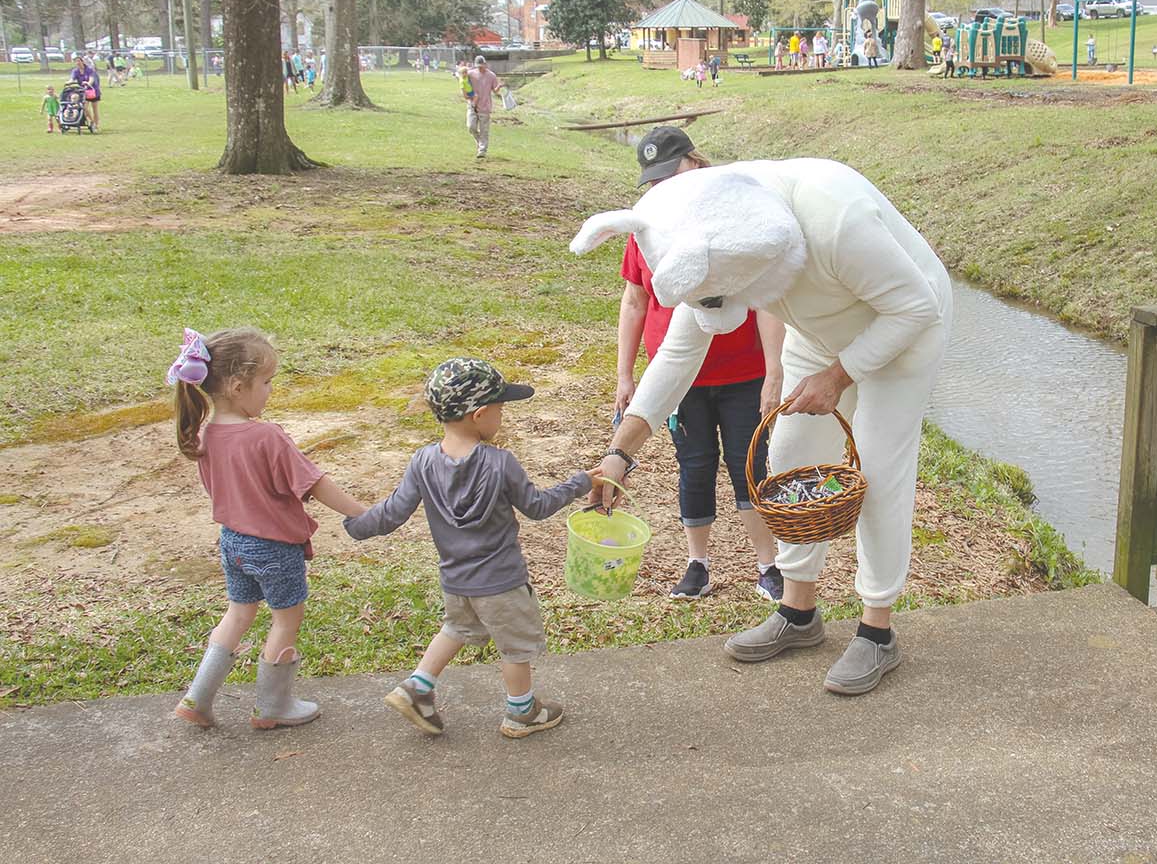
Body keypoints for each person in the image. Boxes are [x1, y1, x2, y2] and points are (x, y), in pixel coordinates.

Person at [574, 157, 953, 697]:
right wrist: (619, 454)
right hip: (818, 332)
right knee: (790, 460)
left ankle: (877, 630)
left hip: (906, 326)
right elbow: (679, 355)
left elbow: (914, 306)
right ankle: (799, 613)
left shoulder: (834, 216)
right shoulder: (709, 230)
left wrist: (840, 375)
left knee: (877, 470)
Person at [345, 358, 603, 737]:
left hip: (455, 580)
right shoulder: (500, 463)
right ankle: (522, 712)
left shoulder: (422, 462)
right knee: (515, 649)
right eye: (500, 409)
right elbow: (538, 507)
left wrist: (357, 526)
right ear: (479, 414)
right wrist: (580, 482)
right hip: (501, 582)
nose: (502, 416)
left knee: (456, 628)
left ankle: (417, 687)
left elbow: (391, 513)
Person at [616, 127, 787, 602]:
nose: (662, 187)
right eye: (653, 180)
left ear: (694, 163)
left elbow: (769, 298)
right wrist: (626, 376)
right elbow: (634, 301)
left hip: (743, 373)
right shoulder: (647, 227)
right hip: (678, 380)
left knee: (749, 465)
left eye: (670, 174)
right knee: (693, 466)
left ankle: (768, 566)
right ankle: (698, 565)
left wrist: (774, 371)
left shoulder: (733, 218)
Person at [169, 327, 367, 730]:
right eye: (267, 382)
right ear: (238, 386)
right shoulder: (265, 435)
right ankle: (273, 706)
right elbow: (314, 483)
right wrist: (361, 512)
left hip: (232, 544)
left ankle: (197, 698)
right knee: (285, 621)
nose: (270, 390)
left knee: (238, 614)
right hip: (275, 549)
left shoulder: (208, 435)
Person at [465, 54, 501, 159]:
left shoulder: (491, 76)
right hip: (472, 105)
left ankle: (482, 150)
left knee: (484, 130)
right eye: (478, 66)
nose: (480, 68)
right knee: (471, 127)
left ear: (485, 64)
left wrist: (500, 85)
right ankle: (479, 141)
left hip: (485, 106)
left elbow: (495, 90)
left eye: (482, 65)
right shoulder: (471, 74)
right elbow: (463, 81)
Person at [69, 55, 101, 130]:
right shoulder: (75, 71)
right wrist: (69, 82)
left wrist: (88, 83)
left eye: (79, 61)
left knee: (95, 109)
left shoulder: (89, 70)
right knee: (84, 107)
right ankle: (91, 121)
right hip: (83, 92)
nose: (77, 63)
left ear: (82, 61)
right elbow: (72, 79)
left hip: (93, 91)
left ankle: (96, 125)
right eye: (76, 61)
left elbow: (92, 78)